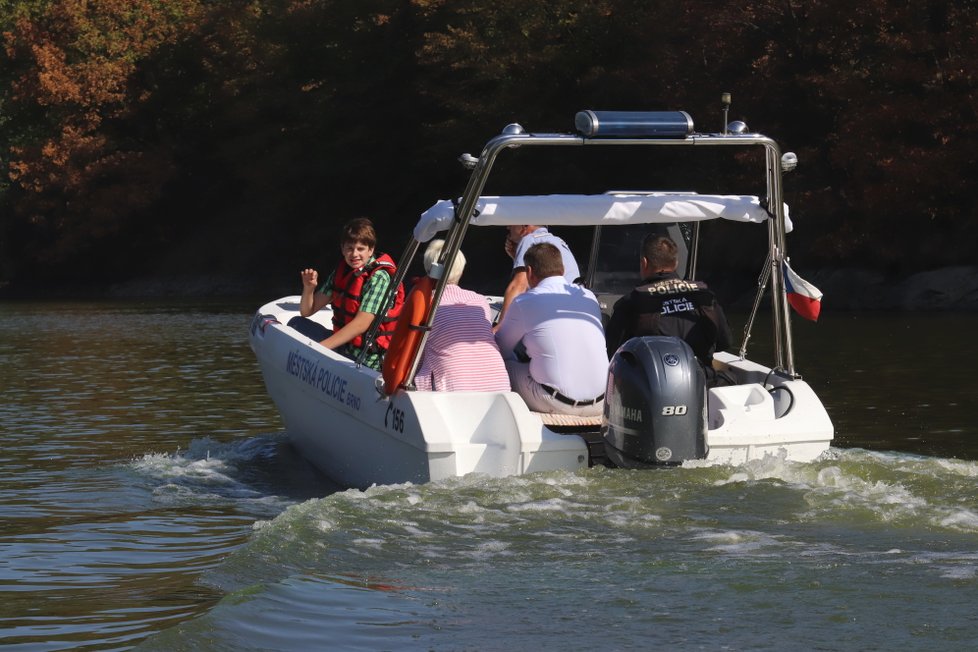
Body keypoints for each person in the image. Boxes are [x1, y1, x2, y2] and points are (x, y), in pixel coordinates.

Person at [494, 242, 608, 416]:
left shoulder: (525, 302)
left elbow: (501, 347)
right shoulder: (589, 296)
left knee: (502, 366)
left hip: (557, 402)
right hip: (601, 402)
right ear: (562, 269)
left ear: (529, 272)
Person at [604, 234, 732, 379]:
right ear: (676, 263)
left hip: (650, 393)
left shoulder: (631, 302)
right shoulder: (704, 297)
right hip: (701, 384)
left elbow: (613, 355)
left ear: (644, 263)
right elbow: (724, 342)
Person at [290, 217, 404, 371]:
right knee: (296, 323)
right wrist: (309, 289)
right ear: (342, 249)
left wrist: (320, 348)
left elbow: (361, 324)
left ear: (371, 250)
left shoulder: (379, 278)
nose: (354, 254)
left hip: (366, 359)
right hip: (344, 347)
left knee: (309, 341)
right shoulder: (342, 271)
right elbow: (306, 311)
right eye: (349, 248)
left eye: (361, 249)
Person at [412, 240, 511, 392]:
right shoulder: (479, 301)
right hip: (499, 386)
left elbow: (412, 352)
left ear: (428, 270)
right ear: (461, 271)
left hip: (455, 392)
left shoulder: (424, 303)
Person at [496, 224, 582, 327]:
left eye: (512, 222)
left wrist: (501, 325)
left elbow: (519, 286)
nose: (508, 227)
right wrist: (516, 258)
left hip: (550, 316)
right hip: (571, 315)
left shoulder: (529, 240)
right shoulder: (558, 241)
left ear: (525, 225)